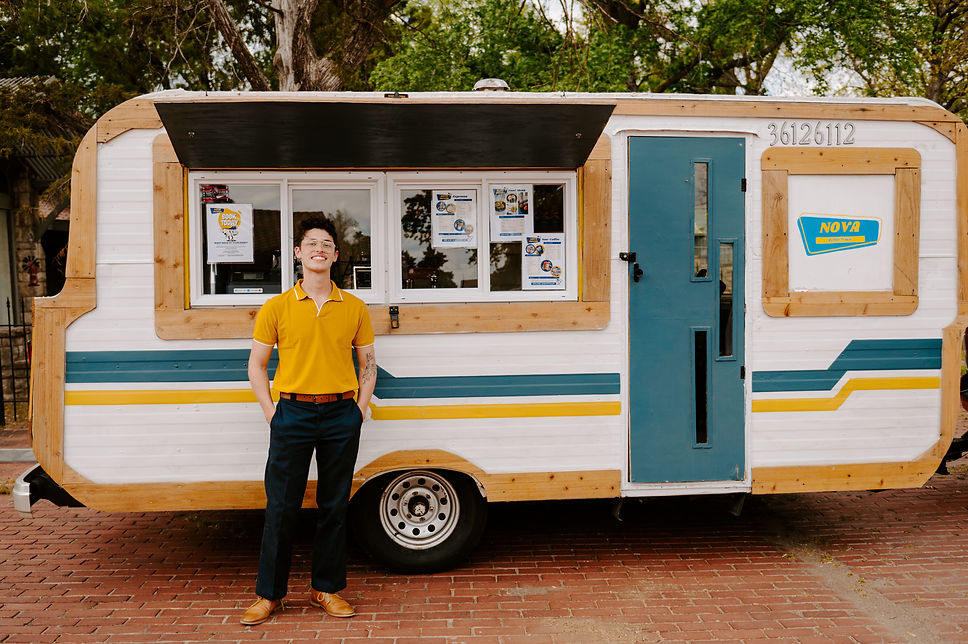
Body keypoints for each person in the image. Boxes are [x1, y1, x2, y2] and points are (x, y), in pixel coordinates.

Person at [241, 215, 376, 626]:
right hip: (292, 413)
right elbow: (257, 365)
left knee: (334, 505)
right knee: (281, 506)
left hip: (340, 414)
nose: (319, 248)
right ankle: (270, 595)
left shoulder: (353, 306)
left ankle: (326, 588)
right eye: (311, 243)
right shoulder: (277, 306)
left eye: (327, 244)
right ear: (298, 254)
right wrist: (272, 413)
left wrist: (358, 411)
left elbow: (368, 363)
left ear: (335, 255)